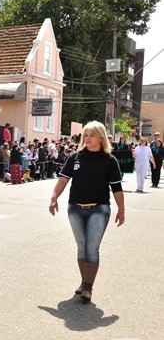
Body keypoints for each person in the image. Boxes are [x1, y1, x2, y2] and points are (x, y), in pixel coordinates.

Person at [48, 121, 125, 302]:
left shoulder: (109, 160)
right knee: (82, 247)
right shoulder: (75, 157)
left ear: (101, 138)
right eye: (86, 135)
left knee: (92, 248)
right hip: (75, 209)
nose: (88, 138)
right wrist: (54, 198)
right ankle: (84, 282)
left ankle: (88, 287)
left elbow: (117, 188)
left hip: (99, 209)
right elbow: (63, 180)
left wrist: (121, 210)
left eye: (92, 135)